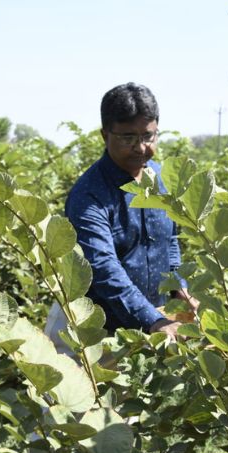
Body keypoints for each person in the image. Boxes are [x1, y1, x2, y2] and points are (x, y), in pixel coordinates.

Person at [64, 82, 198, 342]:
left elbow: (169, 241)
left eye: (148, 136)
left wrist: (179, 288)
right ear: (105, 135)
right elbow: (103, 268)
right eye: (127, 138)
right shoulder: (89, 195)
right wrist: (153, 320)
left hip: (160, 321)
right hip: (103, 334)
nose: (140, 148)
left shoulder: (162, 180)